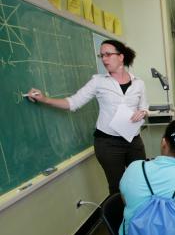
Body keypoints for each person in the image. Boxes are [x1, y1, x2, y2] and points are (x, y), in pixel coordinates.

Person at [28, 40, 148, 194]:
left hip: (133, 140)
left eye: (108, 54)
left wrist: (143, 112)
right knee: (117, 187)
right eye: (101, 55)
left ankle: (141, 217)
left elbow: (144, 106)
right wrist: (45, 99)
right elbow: (72, 103)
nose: (104, 59)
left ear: (121, 57)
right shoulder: (98, 81)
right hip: (108, 143)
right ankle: (121, 218)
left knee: (141, 182)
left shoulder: (139, 83)